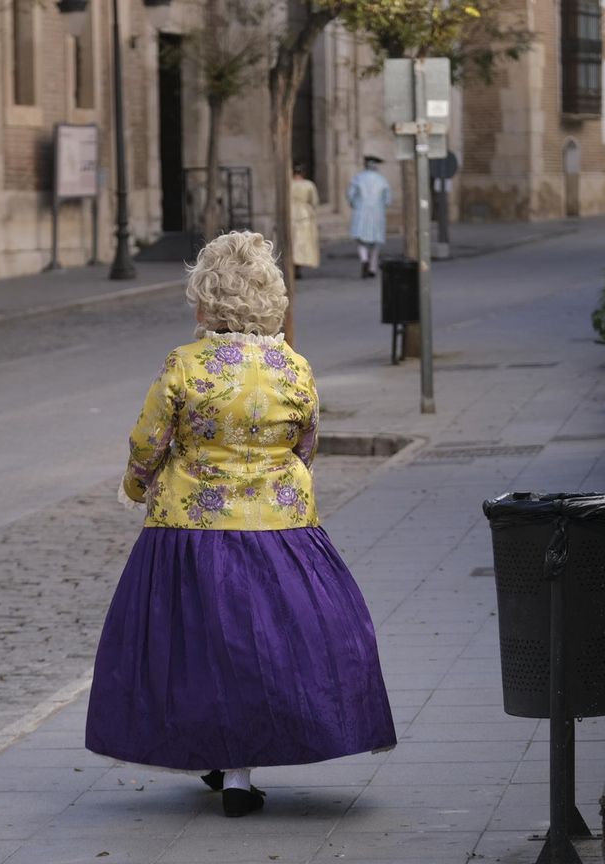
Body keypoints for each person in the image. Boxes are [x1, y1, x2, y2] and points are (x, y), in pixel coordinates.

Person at [85, 231, 397, 818]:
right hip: (282, 529)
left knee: (198, 645)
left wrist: (135, 486)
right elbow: (306, 446)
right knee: (270, 644)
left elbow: (148, 442)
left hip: (189, 530)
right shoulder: (295, 368)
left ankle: (224, 760)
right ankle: (237, 769)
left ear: (206, 299)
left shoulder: (185, 364)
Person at [347, 155, 392, 279]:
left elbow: (350, 194)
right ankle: (372, 267)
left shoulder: (358, 178)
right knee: (376, 242)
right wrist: (382, 206)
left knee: (361, 240)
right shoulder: (382, 180)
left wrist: (354, 204)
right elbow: (388, 199)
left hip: (361, 211)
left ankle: (364, 259)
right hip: (377, 213)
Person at [289, 165, 321, 279]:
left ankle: (292, 264)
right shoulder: (308, 185)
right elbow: (314, 201)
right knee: (302, 241)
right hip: (304, 214)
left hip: (290, 213)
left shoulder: (289, 184)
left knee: (293, 240)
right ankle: (298, 266)